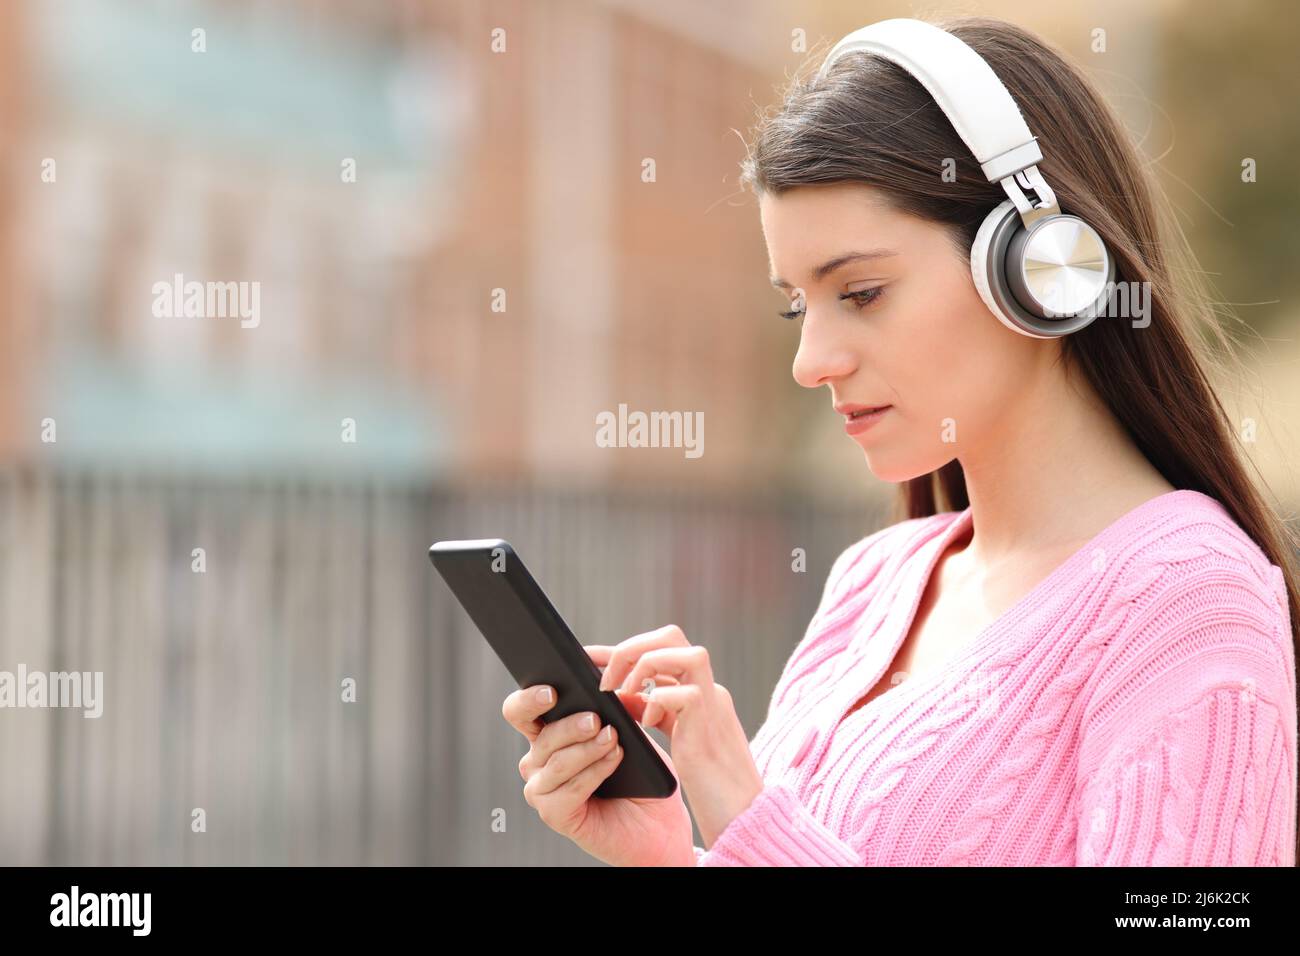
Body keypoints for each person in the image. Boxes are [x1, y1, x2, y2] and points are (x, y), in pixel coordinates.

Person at [501, 14, 1298, 866]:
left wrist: (743, 809)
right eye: (797, 304)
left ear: (1040, 270)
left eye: (864, 291)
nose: (810, 362)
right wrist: (668, 854)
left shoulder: (1186, 601)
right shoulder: (875, 581)